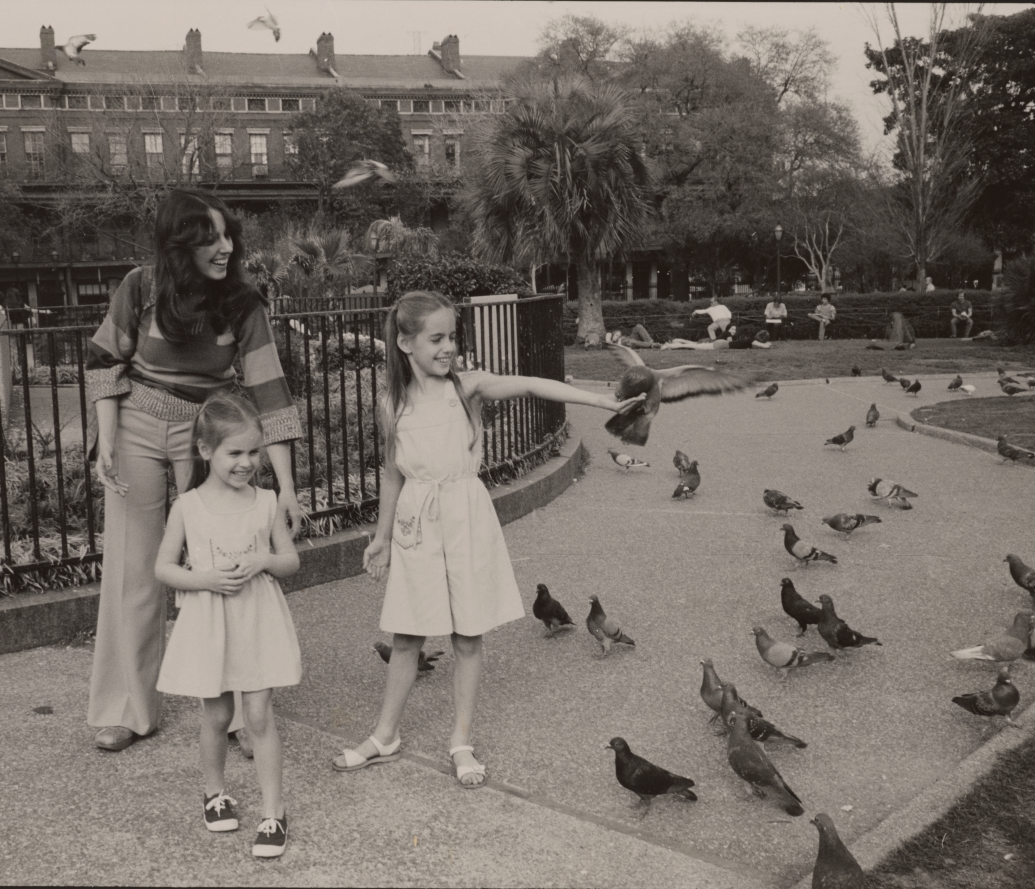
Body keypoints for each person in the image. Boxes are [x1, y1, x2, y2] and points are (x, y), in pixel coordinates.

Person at [331, 291, 644, 788]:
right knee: (407, 634)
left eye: (452, 336)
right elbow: (392, 473)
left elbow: (532, 384)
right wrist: (382, 538)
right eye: (436, 338)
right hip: (417, 520)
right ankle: (385, 735)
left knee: (467, 635)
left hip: (465, 518)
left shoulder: (467, 387)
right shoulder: (392, 402)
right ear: (406, 343)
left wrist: (603, 401)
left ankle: (461, 740)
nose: (448, 347)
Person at [85, 189, 305, 755]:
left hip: (206, 434)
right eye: (210, 238)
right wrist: (106, 441)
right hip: (136, 425)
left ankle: (241, 716)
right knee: (135, 573)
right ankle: (129, 709)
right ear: (180, 244)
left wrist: (285, 487)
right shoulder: (140, 287)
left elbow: (270, 392)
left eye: (228, 234)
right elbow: (106, 360)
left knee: (224, 565)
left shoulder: (242, 303)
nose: (225, 247)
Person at [154, 392, 301, 857]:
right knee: (217, 715)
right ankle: (214, 794)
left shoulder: (266, 502)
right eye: (235, 452)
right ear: (205, 450)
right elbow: (163, 568)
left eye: (254, 451)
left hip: (256, 619)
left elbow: (290, 561)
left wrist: (265, 560)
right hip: (210, 623)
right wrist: (205, 579)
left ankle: (273, 812)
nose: (247, 462)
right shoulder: (188, 507)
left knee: (258, 716)